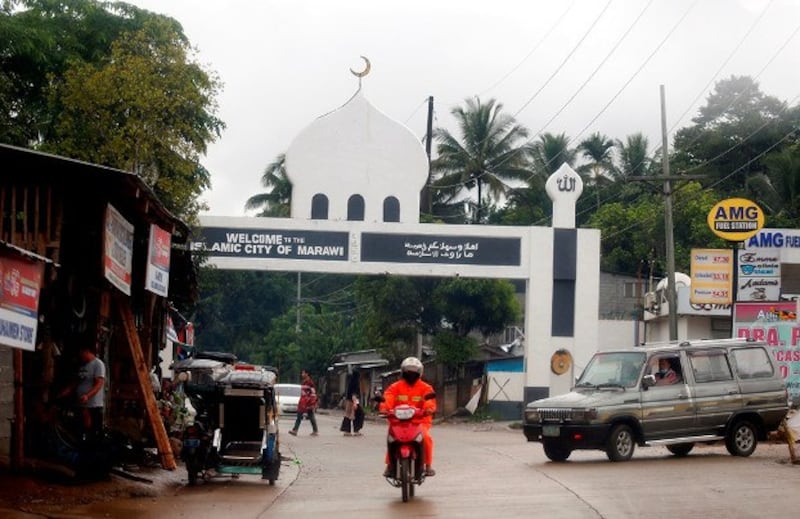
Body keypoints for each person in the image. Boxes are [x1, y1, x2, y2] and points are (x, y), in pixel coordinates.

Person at [379, 356, 437, 477]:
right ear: (403, 372)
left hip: (419, 421)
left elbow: (429, 400)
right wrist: (384, 408)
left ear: (419, 373)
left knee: (426, 438)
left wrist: (428, 409)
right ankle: (390, 465)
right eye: (408, 372)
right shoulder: (395, 387)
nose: (411, 374)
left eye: (414, 372)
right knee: (392, 439)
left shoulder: (426, 388)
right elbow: (387, 398)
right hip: (398, 422)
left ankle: (428, 465)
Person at [59, 344, 106, 443]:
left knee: (92, 430)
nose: (80, 356)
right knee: (81, 427)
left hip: (93, 405)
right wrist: (65, 392)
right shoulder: (83, 365)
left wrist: (87, 395)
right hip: (81, 403)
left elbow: (99, 384)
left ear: (87, 351)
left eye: (81, 353)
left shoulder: (98, 364)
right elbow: (76, 382)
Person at [289, 369, 319, 436]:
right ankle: (295, 430)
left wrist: (313, 403)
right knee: (300, 415)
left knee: (310, 415)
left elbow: (313, 393)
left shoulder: (310, 383)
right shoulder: (303, 382)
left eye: (303, 373)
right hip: (303, 402)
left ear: (307, 374)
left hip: (308, 402)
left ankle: (315, 430)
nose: (302, 374)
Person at [340, 368, 364, 436]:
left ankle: (347, 431)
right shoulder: (355, 382)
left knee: (348, 415)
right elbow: (354, 394)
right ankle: (355, 430)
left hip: (349, 400)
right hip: (353, 401)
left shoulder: (351, 382)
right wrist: (355, 403)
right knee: (360, 414)